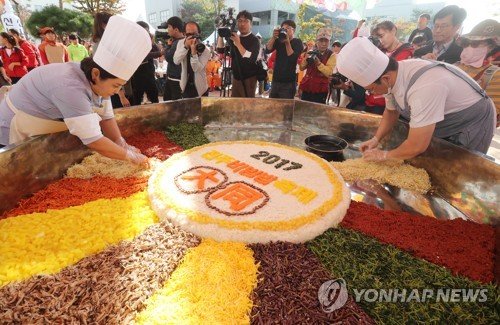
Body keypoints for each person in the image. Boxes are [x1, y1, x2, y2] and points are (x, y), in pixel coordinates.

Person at [0, 16, 152, 166]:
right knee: (19, 166)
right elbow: (94, 140)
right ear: (96, 74)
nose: (117, 90)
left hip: (45, 119)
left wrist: (121, 143)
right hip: (18, 123)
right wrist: (130, 157)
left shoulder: (98, 83)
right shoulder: (70, 87)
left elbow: (106, 116)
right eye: (115, 85)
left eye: (121, 86)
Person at [337, 37, 495, 161]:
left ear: (385, 78)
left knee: (458, 167)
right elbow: (391, 112)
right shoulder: (393, 76)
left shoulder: (424, 87)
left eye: (371, 89)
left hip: (472, 121)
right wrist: (376, 139)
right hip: (443, 118)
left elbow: (417, 145)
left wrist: (384, 155)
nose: (371, 94)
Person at [455, 19, 500, 127]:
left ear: (491, 48)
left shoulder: (495, 75)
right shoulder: (455, 65)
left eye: (475, 44)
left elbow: (491, 115)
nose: (469, 47)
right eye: (466, 43)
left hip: (464, 135)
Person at [365, 21, 415, 114]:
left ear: (393, 30)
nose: (380, 41)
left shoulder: (407, 53)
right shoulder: (378, 51)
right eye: (378, 38)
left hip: (390, 106)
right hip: (370, 101)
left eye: (382, 36)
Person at [216, 10, 260, 98]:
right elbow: (220, 50)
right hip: (236, 78)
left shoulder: (254, 40)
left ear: (251, 24)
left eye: (246, 21)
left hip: (249, 79)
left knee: (247, 106)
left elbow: (251, 58)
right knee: (235, 105)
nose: (242, 24)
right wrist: (221, 34)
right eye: (240, 21)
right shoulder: (234, 37)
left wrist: (238, 43)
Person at [266, 19, 303, 99]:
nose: (285, 30)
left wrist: (287, 42)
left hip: (288, 83)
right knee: (272, 106)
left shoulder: (297, 42)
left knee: (286, 108)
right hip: (275, 80)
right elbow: (267, 49)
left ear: (294, 30)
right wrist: (273, 37)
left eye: (288, 28)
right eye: (283, 28)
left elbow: (292, 58)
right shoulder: (279, 41)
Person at [299, 28, 336, 104]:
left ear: (329, 42)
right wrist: (306, 59)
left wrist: (319, 64)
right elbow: (301, 68)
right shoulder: (311, 52)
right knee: (303, 110)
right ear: (316, 41)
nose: (323, 44)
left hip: (320, 89)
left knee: (317, 113)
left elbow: (329, 73)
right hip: (307, 87)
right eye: (321, 41)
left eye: (326, 41)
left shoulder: (331, 55)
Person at [174, 21, 210, 98]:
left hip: (201, 88)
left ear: (199, 33)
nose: (192, 37)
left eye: (195, 34)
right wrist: (186, 46)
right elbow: (176, 61)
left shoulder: (204, 49)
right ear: (184, 34)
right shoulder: (181, 43)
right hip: (185, 85)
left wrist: (194, 53)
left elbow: (196, 69)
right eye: (188, 34)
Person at [130, 21, 161, 105]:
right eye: (143, 31)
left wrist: (152, 42)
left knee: (155, 100)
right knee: (136, 102)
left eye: (147, 31)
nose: (145, 33)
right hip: (137, 77)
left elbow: (156, 54)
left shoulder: (148, 41)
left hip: (150, 76)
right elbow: (146, 55)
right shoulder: (131, 43)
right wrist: (162, 53)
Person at [163, 16, 184, 101]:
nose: (167, 29)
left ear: (176, 29)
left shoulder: (178, 42)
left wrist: (168, 46)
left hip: (175, 79)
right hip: (175, 78)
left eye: (169, 27)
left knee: (172, 105)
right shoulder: (181, 41)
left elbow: (168, 57)